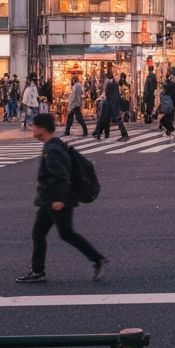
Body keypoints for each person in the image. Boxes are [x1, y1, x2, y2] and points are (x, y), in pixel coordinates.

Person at [15, 114, 107, 284]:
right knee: (43, 233)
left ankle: (97, 259)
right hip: (51, 199)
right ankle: (38, 271)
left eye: (33, 126)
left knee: (64, 234)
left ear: (42, 129)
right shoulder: (55, 144)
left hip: (56, 200)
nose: (31, 129)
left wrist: (59, 199)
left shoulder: (53, 150)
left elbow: (61, 176)